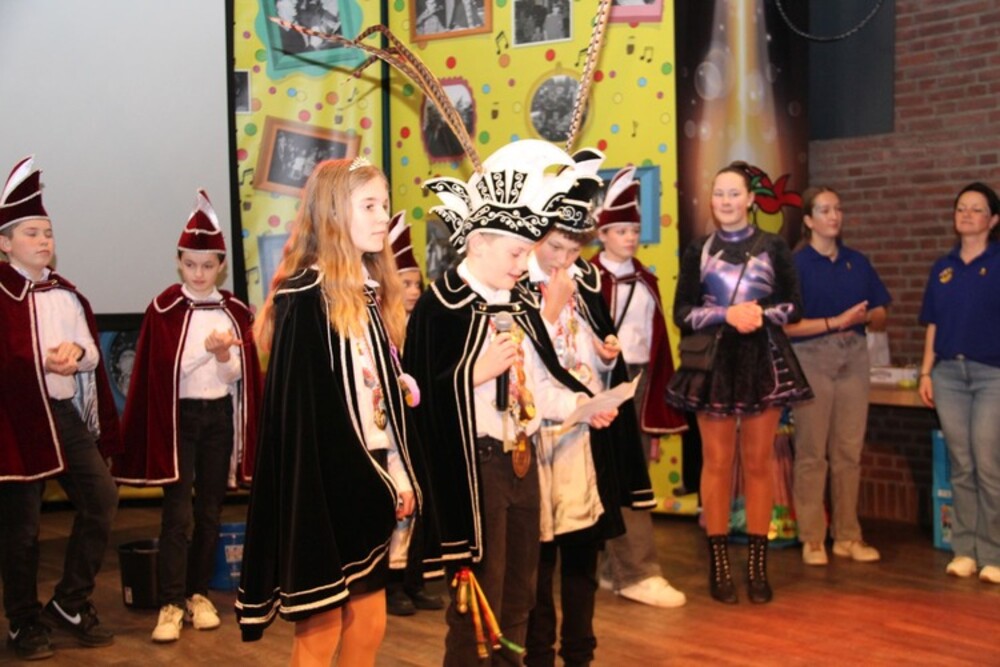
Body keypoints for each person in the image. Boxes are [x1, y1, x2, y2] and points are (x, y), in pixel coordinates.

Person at [406, 139, 618, 666]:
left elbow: (537, 385)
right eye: (516, 253)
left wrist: (583, 404)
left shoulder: (520, 301)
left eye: (526, 253)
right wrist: (474, 372)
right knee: (479, 599)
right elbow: (417, 400)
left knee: (521, 594)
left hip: (524, 460)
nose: (525, 266)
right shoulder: (441, 306)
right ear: (478, 243)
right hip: (476, 469)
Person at [236, 157, 434, 666]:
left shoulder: (368, 297)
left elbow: (381, 406)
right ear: (331, 213)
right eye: (368, 205)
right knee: (320, 627)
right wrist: (378, 478)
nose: (382, 217)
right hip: (325, 487)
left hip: (371, 477)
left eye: (384, 205)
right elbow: (303, 423)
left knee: (369, 624)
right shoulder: (305, 299)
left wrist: (397, 473)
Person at [514, 151, 659, 667]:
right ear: (535, 239)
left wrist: (605, 355)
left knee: (581, 557)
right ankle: (537, 655)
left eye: (574, 250)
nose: (564, 260)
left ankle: (579, 654)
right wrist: (550, 311)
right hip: (535, 442)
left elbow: (587, 356)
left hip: (581, 442)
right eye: (555, 246)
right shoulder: (514, 285)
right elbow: (524, 372)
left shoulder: (584, 280)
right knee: (537, 563)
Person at [112, 190, 262, 642]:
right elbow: (163, 371)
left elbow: (238, 376)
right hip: (179, 419)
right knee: (177, 514)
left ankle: (199, 594)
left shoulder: (234, 311)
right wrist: (206, 351)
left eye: (208, 265)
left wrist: (223, 356)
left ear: (221, 266)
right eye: (191, 264)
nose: (199, 273)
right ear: (179, 263)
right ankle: (171, 602)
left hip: (219, 417)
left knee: (210, 511)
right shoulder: (165, 308)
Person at [667, 161, 812, 604]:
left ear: (750, 200)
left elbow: (795, 306)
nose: (725, 201)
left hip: (762, 362)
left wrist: (759, 315)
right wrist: (725, 314)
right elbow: (682, 312)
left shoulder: (774, 246)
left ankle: (757, 566)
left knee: (758, 464)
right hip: (713, 365)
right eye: (718, 193)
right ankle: (719, 564)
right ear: (711, 200)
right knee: (715, 463)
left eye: (734, 193)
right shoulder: (698, 249)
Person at [0, 155, 121, 660]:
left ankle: (70, 602)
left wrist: (76, 354)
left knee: (102, 498)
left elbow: (89, 351)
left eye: (47, 232)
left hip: (64, 415)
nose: (43, 240)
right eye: (31, 233)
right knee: (22, 528)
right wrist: (39, 362)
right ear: (5, 243)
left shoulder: (65, 294)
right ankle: (23, 620)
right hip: (18, 423)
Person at [590, 166, 689, 608]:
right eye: (621, 230)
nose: (630, 237)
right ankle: (637, 571)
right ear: (602, 234)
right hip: (602, 383)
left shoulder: (646, 279)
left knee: (632, 477)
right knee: (616, 478)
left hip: (642, 382)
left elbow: (658, 342)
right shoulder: (587, 279)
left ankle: (617, 569)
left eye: (633, 230)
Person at [784, 187, 890, 566]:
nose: (834, 216)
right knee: (812, 451)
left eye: (838, 209)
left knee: (848, 451)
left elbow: (881, 314)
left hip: (854, 356)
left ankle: (847, 535)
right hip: (812, 355)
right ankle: (813, 537)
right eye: (825, 210)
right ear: (808, 220)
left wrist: (865, 317)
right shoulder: (795, 265)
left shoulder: (856, 262)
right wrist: (835, 322)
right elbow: (786, 326)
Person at [918, 182, 1000, 585]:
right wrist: (925, 372)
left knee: (988, 463)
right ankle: (965, 550)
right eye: (961, 208)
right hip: (948, 375)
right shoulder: (943, 267)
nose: (967, 214)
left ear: (993, 219)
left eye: (976, 208)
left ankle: (994, 553)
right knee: (962, 465)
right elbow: (933, 323)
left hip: (991, 375)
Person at [384, 211, 443, 617]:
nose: (413, 290)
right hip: (392, 433)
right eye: (405, 283)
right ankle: (391, 584)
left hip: (420, 431)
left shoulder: (422, 325)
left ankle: (414, 579)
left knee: (421, 504)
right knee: (398, 508)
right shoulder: (382, 329)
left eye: (416, 283)